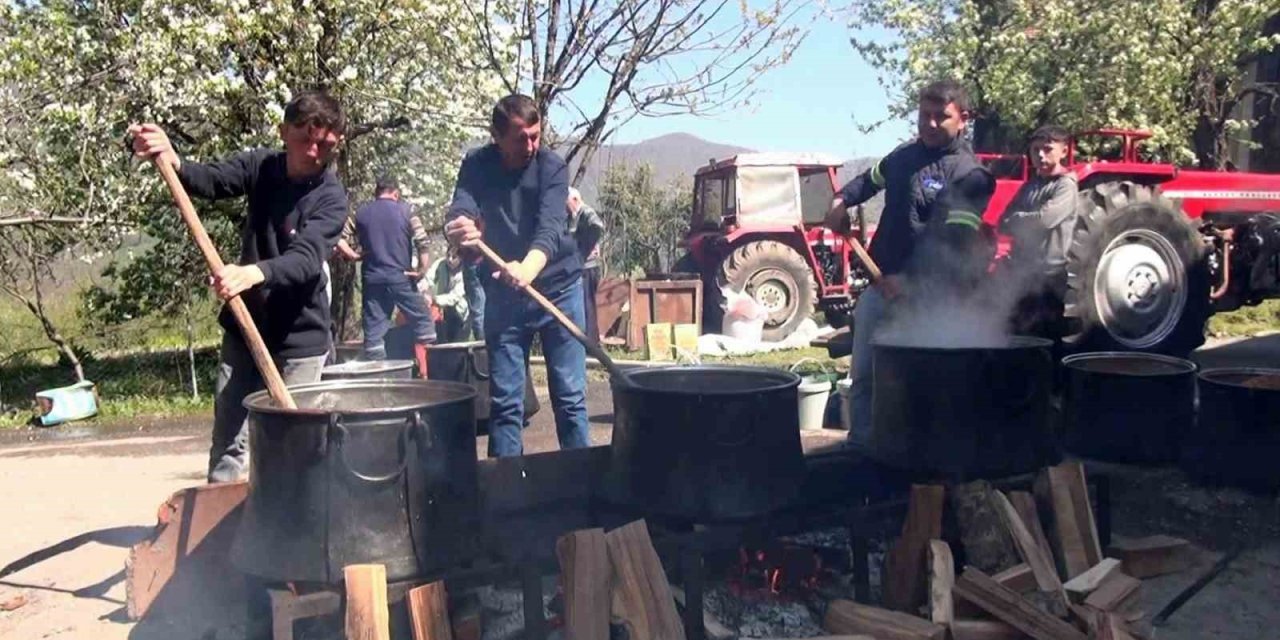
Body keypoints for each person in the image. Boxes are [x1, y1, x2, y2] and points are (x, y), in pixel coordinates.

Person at [128, 91, 349, 483]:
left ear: (338, 143)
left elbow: (306, 258)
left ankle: (293, 529)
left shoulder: (331, 198)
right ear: (284, 133)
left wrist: (252, 274)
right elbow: (210, 180)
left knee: (293, 446)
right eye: (305, 140)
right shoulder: (261, 167)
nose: (314, 151)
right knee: (230, 437)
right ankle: (222, 524)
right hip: (244, 327)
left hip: (299, 340)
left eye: (325, 144)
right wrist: (173, 159)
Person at [824, 78, 994, 450]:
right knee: (866, 375)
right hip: (879, 288)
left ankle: (916, 462)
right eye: (924, 115)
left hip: (931, 298)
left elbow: (956, 242)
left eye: (941, 117)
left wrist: (913, 283)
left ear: (963, 119)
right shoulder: (902, 158)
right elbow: (866, 182)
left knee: (916, 382)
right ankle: (862, 450)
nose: (930, 124)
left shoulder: (972, 176)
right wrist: (840, 200)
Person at [444, 94, 588, 457]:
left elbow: (551, 227)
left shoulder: (551, 167)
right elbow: (462, 203)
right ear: (496, 135)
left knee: (570, 397)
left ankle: (585, 485)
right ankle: (505, 494)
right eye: (520, 138)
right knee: (506, 402)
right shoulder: (477, 164)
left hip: (558, 289)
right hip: (504, 293)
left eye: (536, 136)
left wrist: (527, 268)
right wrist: (460, 224)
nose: (530, 146)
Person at [336, 175, 437, 366]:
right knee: (425, 324)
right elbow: (423, 243)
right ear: (396, 193)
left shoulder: (361, 213)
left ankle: (380, 379)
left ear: (377, 193)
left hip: (372, 278)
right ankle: (432, 370)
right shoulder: (407, 211)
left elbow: (339, 239)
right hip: (401, 277)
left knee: (374, 336)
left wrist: (354, 255)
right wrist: (422, 270)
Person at [999, 125, 1079, 338]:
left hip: (1049, 277)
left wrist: (1018, 219)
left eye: (1047, 149)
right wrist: (1020, 220)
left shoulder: (1065, 186)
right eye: (1035, 150)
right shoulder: (1030, 186)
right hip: (1022, 273)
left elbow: (1045, 220)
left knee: (1046, 336)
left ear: (1063, 151)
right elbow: (1002, 222)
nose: (1041, 156)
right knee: (1019, 333)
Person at [567, 187, 605, 343]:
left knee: (587, 305)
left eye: (567, 204)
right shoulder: (572, 216)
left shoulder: (586, 213)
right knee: (582, 305)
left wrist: (587, 248)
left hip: (588, 267)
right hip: (580, 266)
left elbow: (598, 228)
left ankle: (591, 343)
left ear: (575, 200)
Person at [424, 247, 470, 342]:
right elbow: (428, 279)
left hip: (461, 313)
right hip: (445, 311)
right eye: (448, 256)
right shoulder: (441, 263)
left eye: (454, 257)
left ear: (461, 258)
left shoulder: (465, 271)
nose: (450, 259)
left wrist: (434, 299)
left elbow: (454, 297)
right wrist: (420, 290)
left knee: (458, 342)